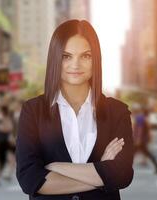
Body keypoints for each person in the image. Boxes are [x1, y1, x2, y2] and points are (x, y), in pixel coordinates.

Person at [16, 20, 134, 200]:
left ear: (96, 59)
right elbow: (30, 179)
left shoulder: (117, 111)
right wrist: (102, 172)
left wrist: (56, 167)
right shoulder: (33, 111)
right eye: (66, 56)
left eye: (85, 56)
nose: (76, 65)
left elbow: (122, 174)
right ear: (55, 59)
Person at [132, 104, 157, 174]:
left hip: (140, 140)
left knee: (132, 154)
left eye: (133, 111)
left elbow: (140, 129)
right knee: (146, 153)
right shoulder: (140, 117)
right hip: (141, 140)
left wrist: (138, 139)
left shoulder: (139, 117)